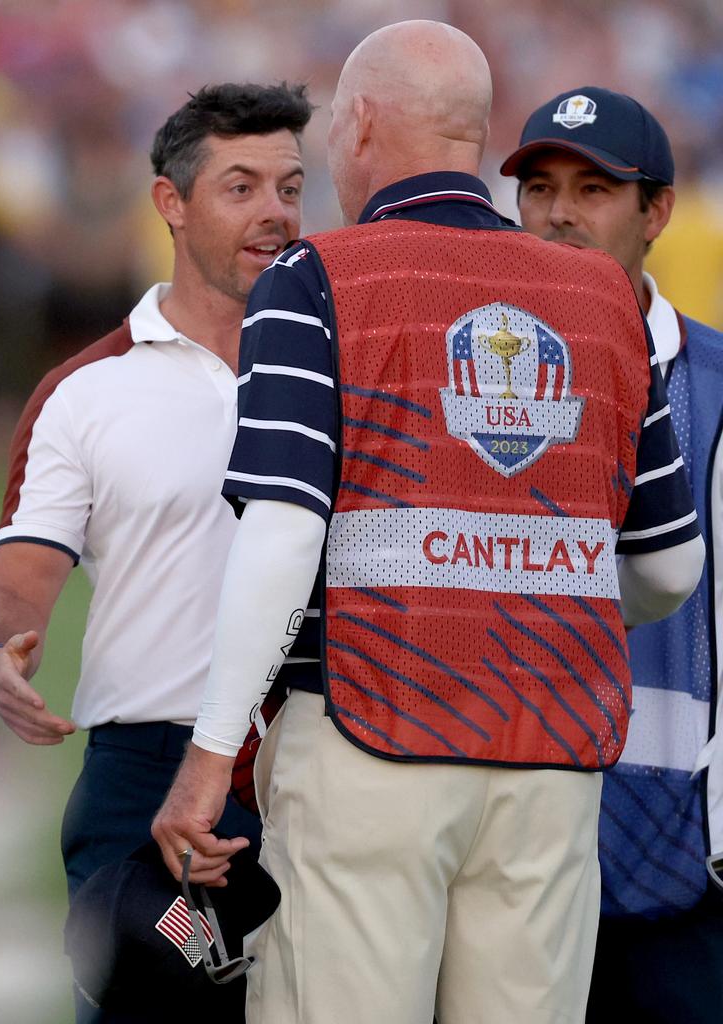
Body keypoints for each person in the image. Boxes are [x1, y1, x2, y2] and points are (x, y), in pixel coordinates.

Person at [153, 24, 705, 1024]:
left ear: (360, 124)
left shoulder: (317, 275)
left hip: (373, 728)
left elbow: (281, 538)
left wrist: (208, 755)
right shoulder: (604, 297)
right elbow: (667, 566)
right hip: (551, 751)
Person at [0, 81, 312, 1023]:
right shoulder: (86, 391)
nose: (276, 211)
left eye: (290, 186)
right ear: (171, 201)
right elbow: (16, 583)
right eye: (241, 186)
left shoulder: (350, 367)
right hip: (145, 775)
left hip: (320, 766)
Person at [501, 86, 723, 1023]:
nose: (559, 214)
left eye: (594, 189)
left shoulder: (718, 387)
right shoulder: (466, 371)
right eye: (541, 186)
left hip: (688, 864)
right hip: (501, 848)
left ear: (656, 212)